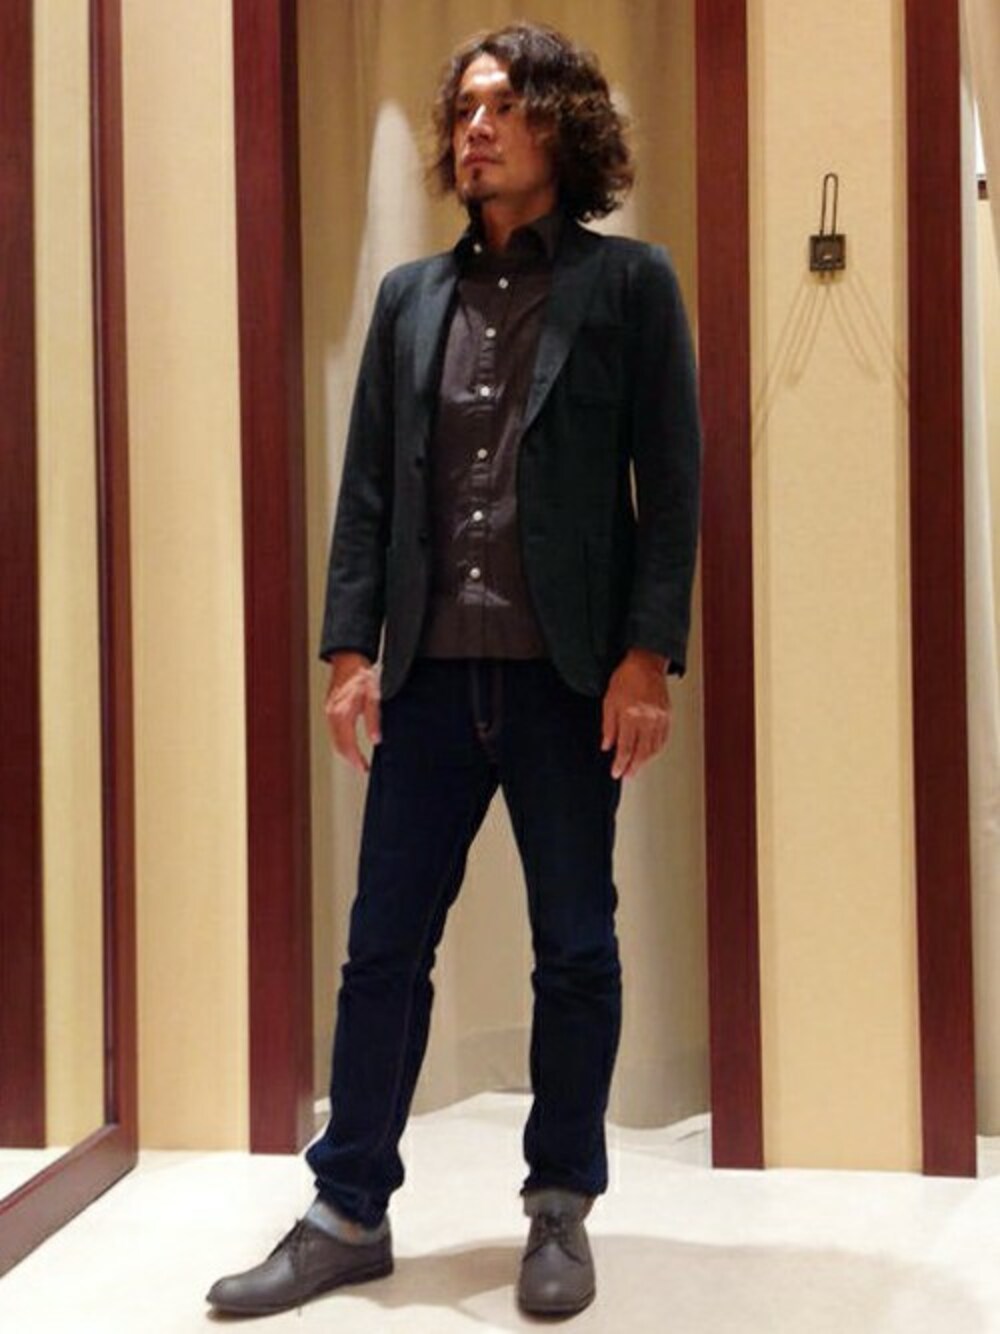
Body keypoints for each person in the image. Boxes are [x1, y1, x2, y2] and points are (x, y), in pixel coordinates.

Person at [207, 20, 701, 1320]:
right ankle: (347, 1208)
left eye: (503, 106)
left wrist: (647, 656)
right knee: (381, 949)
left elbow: (672, 488)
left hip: (565, 684)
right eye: (465, 108)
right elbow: (369, 489)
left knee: (576, 948)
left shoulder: (631, 287)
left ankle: (559, 1204)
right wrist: (349, 651)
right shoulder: (409, 300)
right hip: (428, 680)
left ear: (560, 125)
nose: (474, 128)